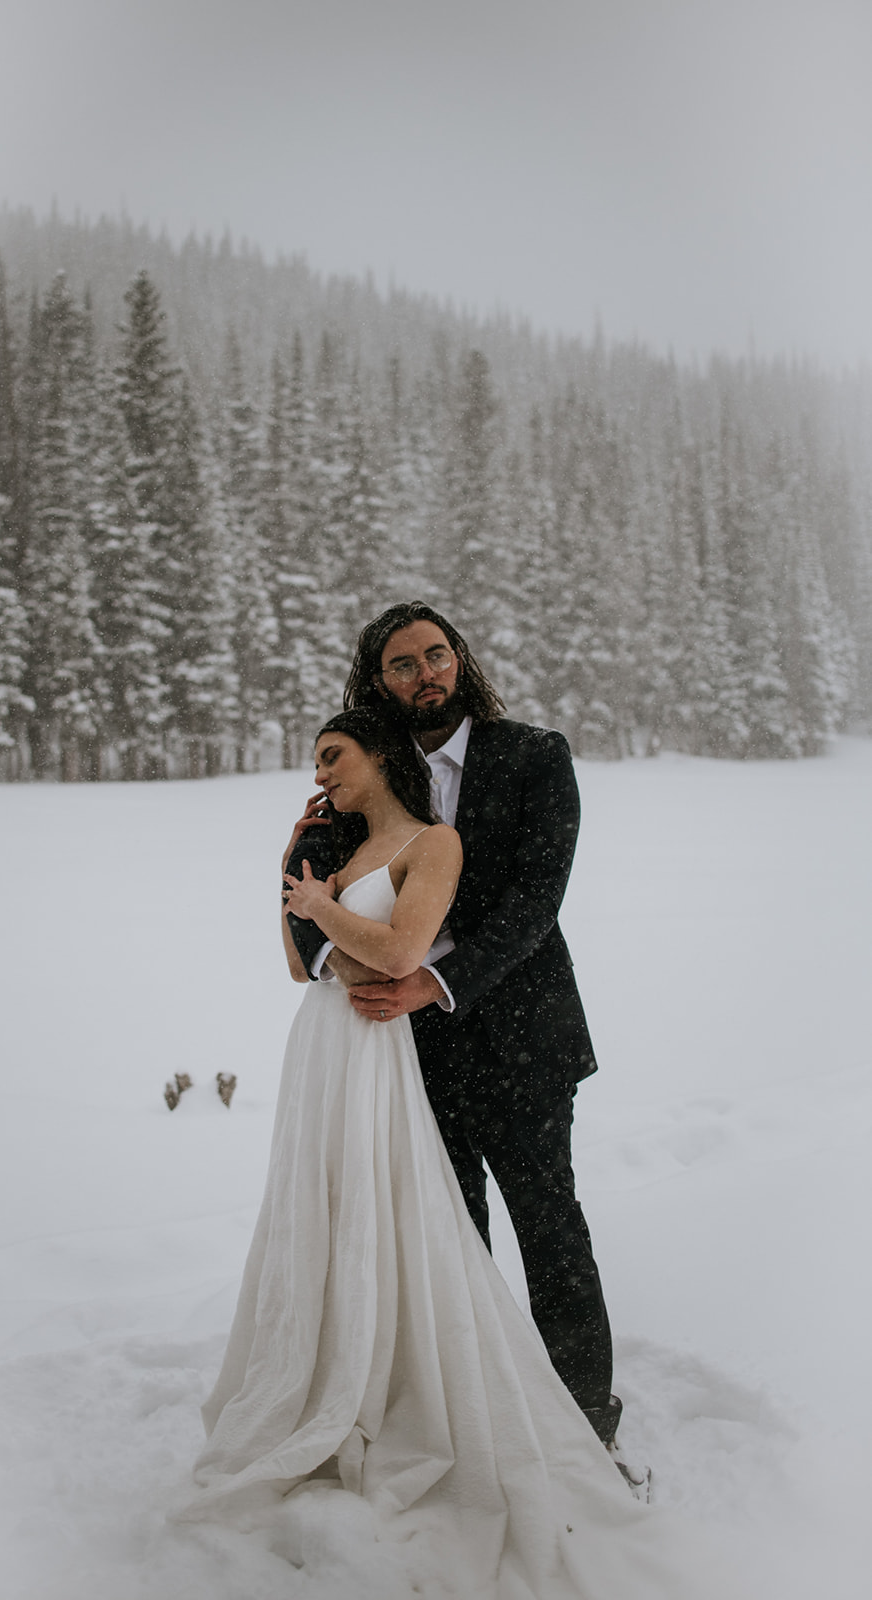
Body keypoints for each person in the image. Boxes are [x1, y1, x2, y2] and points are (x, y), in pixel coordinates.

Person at [177, 708, 688, 1597]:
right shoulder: (340, 850)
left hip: (443, 1043)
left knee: (524, 1221)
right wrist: (298, 876)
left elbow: (402, 951)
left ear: (380, 756)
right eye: (315, 762)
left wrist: (328, 918)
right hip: (330, 1056)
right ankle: (374, 1375)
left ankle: (550, 1411)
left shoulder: (435, 839)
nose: (321, 773)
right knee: (349, 1214)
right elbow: (305, 966)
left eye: (333, 756)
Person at [284, 603, 627, 1462]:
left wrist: (433, 981)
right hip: (406, 1056)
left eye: (438, 654)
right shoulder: (365, 785)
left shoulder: (533, 755)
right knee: (447, 1238)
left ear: (461, 659)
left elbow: (535, 902)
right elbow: (317, 925)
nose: (427, 672)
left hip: (523, 1039)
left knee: (550, 1230)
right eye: (403, 664)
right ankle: (481, 1421)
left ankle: (589, 1433)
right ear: (377, 683)